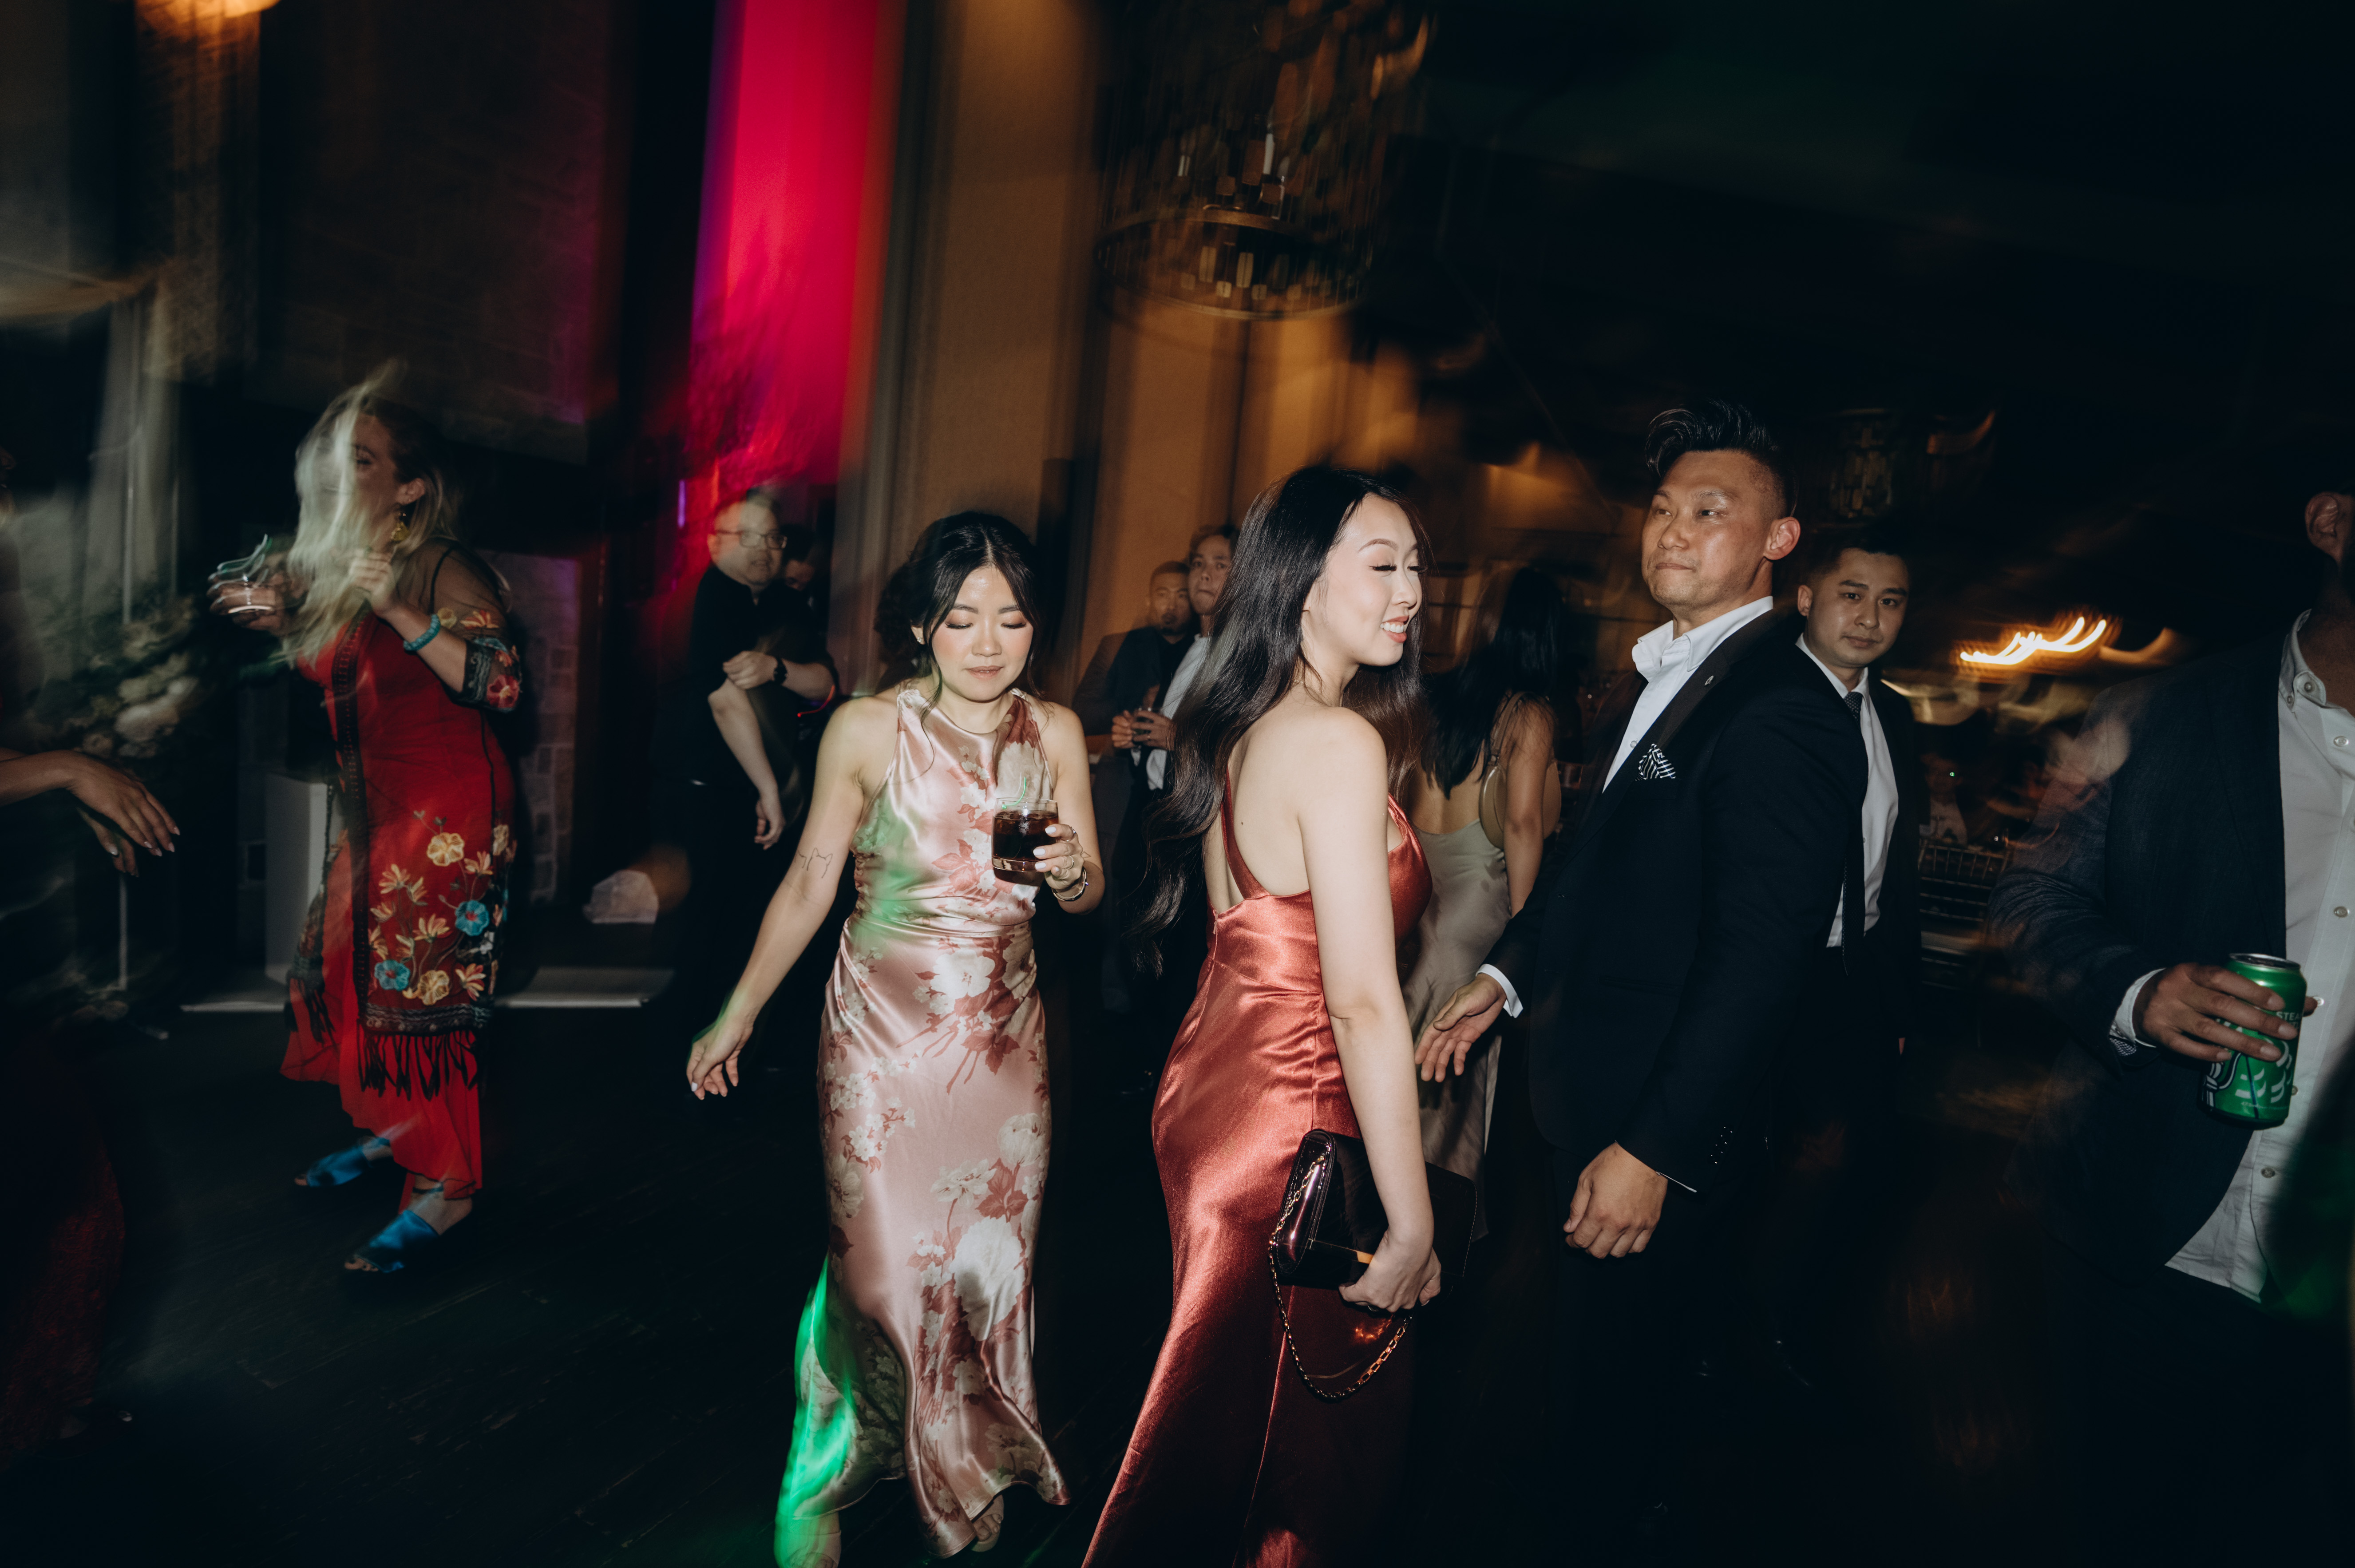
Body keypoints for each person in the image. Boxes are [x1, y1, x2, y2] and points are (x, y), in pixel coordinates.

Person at [1417, 400, 1864, 1550]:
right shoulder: (1676, 675)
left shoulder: (1783, 708)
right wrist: (1503, 977)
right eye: (1663, 508)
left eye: (1710, 511)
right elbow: (1593, 862)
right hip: (1598, 1086)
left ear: (1778, 541)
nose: (1672, 530)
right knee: (1589, 1369)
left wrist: (1656, 1147)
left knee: (1620, 1391)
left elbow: (1761, 958)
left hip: (1654, 1117)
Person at [685, 513, 1099, 1565]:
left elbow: (1087, 885)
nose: (988, 641)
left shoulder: (1053, 731)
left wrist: (1071, 874)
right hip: (881, 1034)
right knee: (878, 1266)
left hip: (1002, 1041)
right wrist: (738, 1010)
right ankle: (823, 1464)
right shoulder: (868, 729)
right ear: (921, 625)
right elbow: (810, 879)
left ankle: (961, 1450)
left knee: (979, 1264)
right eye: (962, 617)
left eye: (1011, 617)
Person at [1987, 481, 2355, 1561]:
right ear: (2330, 521)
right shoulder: (2162, 713)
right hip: (2159, 1239)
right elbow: (2032, 900)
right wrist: (2136, 993)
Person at [1085, 467, 1438, 1567]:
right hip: (1289, 1120)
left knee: (1230, 1416)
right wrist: (1412, 1218)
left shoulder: (1240, 720)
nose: (1411, 591)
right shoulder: (1334, 741)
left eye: (1416, 566)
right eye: (1382, 564)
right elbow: (1361, 1001)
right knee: (1293, 1463)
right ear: (1300, 579)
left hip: (1216, 1090)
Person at [209, 377, 523, 1275]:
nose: (337, 475)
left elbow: (501, 684)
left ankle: (448, 1189)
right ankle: (399, 1129)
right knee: (354, 977)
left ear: (410, 486)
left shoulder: (440, 566)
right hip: (376, 812)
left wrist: (399, 608)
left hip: (451, 814)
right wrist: (279, 620)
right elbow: (346, 676)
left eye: (361, 460)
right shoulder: (347, 571)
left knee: (423, 998)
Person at [1753, 527, 1923, 1394]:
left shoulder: (1895, 716)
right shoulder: (1753, 693)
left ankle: (1768, 1323)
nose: (1870, 617)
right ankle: (1708, 1327)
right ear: (1806, 597)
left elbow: (1898, 867)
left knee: (1831, 1157)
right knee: (1739, 1157)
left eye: (1890, 600)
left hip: (1847, 975)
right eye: (1852, 593)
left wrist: (1899, 1005)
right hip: (1754, 968)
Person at [1401, 565, 1562, 1236]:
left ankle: (1377, 1206)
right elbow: (1522, 823)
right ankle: (1433, 1227)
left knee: (1406, 1053)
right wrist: (1525, 935)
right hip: (1477, 903)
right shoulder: (1528, 712)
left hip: (1419, 893)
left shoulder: (1435, 695)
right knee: (1451, 1073)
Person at [649, 489, 838, 1053]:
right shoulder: (704, 597)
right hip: (702, 790)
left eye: (772, 537)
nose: (763, 549)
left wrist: (775, 667)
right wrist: (768, 789)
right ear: (715, 543)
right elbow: (725, 701)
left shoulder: (785, 605)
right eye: (747, 536)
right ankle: (683, 1058)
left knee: (748, 927)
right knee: (700, 933)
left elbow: (824, 685)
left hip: (756, 792)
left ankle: (734, 1050)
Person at [1105, 527, 1234, 1085]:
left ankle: (1169, 1079)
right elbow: (1156, 725)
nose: (1204, 574)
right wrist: (1130, 735)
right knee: (1134, 940)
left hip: (1192, 824)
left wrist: (1176, 737)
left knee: (1178, 960)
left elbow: (1241, 745)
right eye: (1199, 562)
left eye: (1220, 564)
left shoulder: (1242, 657)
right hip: (1148, 811)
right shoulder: (1181, 648)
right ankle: (1143, 1068)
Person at [1072, 559, 1195, 1012]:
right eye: (1162, 594)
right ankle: (1107, 1002)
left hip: (1178, 798)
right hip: (1120, 790)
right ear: (1148, 600)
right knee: (1109, 892)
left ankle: (1149, 1003)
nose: (1171, 604)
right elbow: (1081, 710)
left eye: (1181, 594)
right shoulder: (1119, 645)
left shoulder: (1206, 650)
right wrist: (1124, 713)